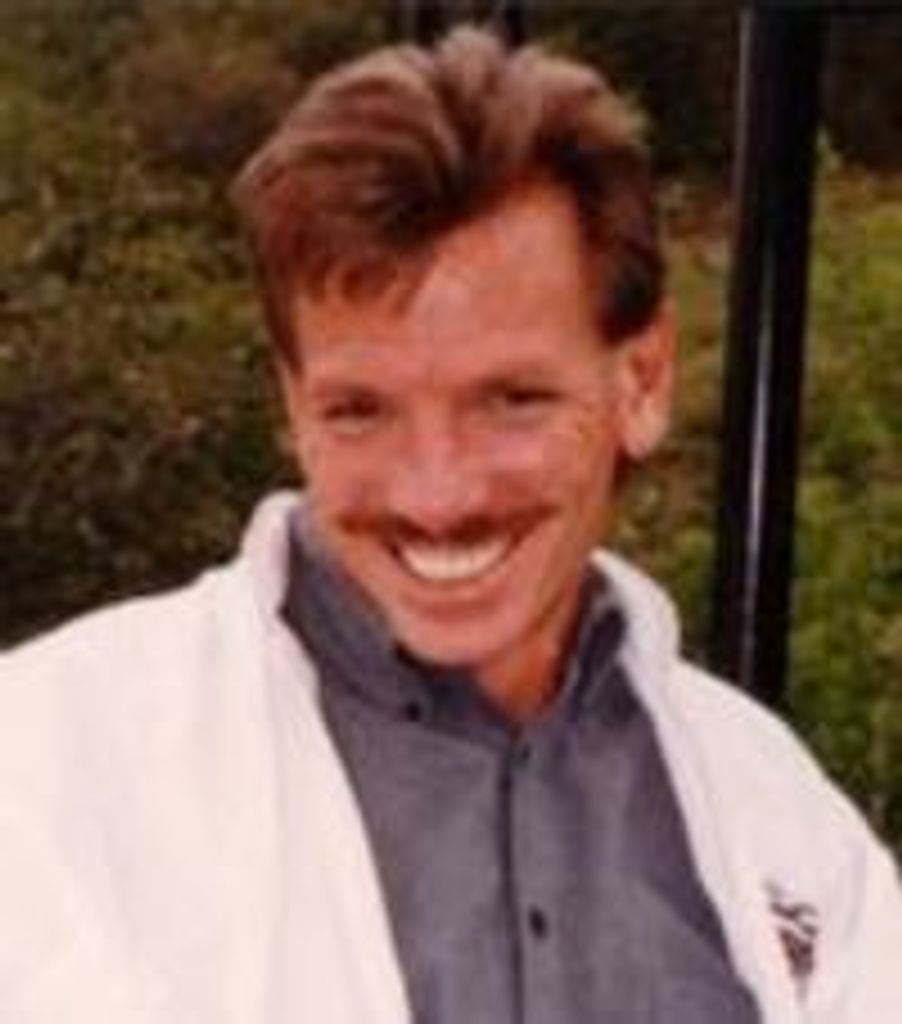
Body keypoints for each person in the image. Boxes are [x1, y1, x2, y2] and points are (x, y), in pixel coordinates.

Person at [0, 25, 899, 1024]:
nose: (435, 493)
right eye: (360, 411)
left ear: (640, 382)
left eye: (511, 400)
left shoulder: (775, 809)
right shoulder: (47, 771)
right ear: (292, 405)